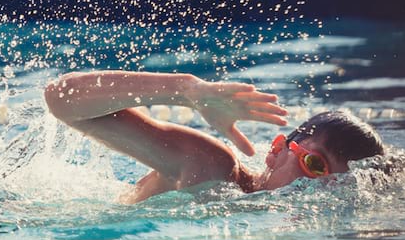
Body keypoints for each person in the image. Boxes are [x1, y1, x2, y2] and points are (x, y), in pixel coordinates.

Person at [44, 71, 385, 203]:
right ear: (277, 150)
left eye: (336, 185)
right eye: (314, 165)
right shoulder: (213, 167)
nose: (315, 191)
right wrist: (185, 91)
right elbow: (61, 98)